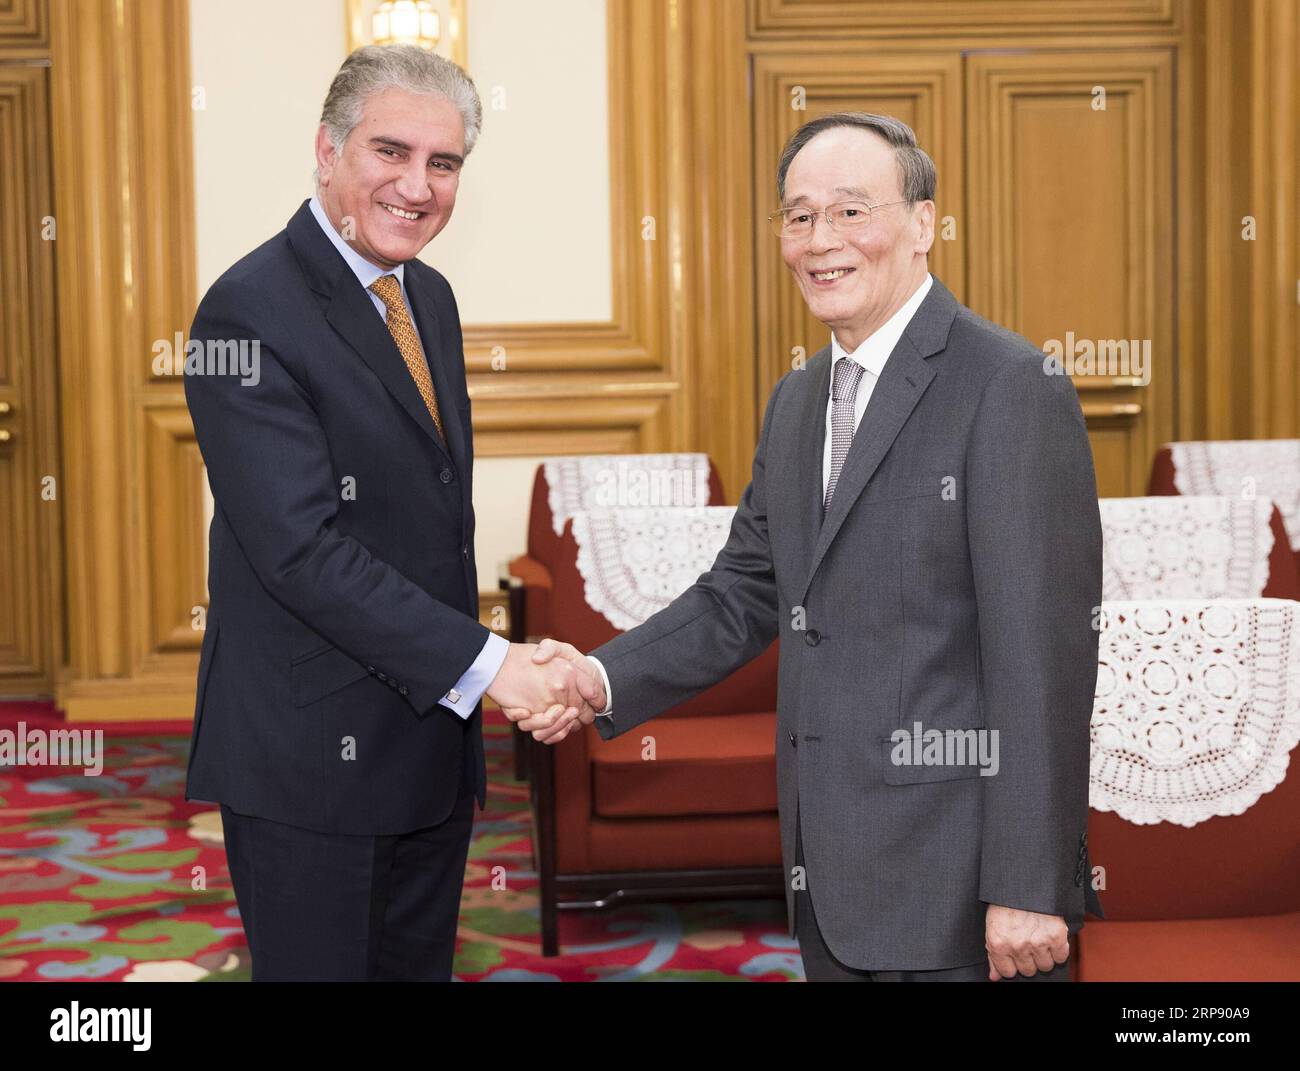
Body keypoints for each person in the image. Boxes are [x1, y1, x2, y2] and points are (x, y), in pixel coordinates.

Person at [514, 112, 1105, 982]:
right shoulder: (798, 400)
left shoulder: (1009, 386)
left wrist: (1028, 879)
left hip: (964, 892)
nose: (819, 240)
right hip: (825, 876)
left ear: (923, 224)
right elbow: (744, 591)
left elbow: (1043, 656)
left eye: (850, 211)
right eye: (798, 216)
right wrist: (595, 678)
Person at [183, 44, 599, 982]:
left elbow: (427, 523)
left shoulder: (428, 297)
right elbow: (301, 553)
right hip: (309, 766)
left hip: (424, 743)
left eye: (443, 163)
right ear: (326, 150)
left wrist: (477, 675)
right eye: (391, 152)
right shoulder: (243, 315)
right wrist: (498, 665)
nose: (417, 186)